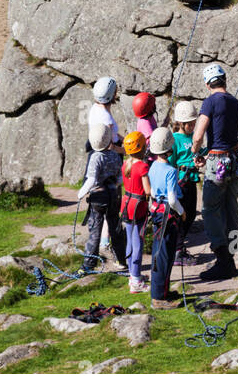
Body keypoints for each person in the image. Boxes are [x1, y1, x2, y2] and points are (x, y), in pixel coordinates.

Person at [192, 62, 238, 282]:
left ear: (207, 84)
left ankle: (223, 260)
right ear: (225, 79)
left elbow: (198, 134)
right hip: (235, 159)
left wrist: (196, 152)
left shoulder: (210, 102)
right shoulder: (236, 103)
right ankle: (234, 254)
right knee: (231, 208)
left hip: (217, 162)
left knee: (210, 209)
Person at [79, 122, 127, 274]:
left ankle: (89, 264)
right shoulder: (115, 155)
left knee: (95, 230)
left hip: (98, 197)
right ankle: (121, 260)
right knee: (115, 227)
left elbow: (92, 180)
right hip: (113, 196)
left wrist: (81, 193)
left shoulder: (95, 157)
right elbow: (120, 177)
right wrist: (113, 185)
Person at [148, 126, 184, 309]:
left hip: (157, 213)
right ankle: (158, 298)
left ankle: (163, 291)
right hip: (168, 215)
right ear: (170, 148)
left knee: (160, 252)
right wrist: (182, 211)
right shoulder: (170, 170)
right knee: (164, 255)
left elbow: (154, 192)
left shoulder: (153, 166)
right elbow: (172, 198)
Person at [120, 130, 151, 294]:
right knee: (138, 241)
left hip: (126, 204)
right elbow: (147, 190)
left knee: (130, 241)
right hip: (139, 206)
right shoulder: (143, 166)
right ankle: (137, 280)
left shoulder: (125, 165)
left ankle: (132, 275)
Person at [171, 100, 201, 266]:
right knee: (181, 216)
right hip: (181, 182)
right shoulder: (175, 140)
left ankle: (178, 249)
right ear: (180, 123)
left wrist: (201, 160)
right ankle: (177, 250)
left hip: (192, 181)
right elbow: (170, 162)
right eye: (189, 123)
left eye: (194, 123)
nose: (192, 125)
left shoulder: (193, 138)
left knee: (190, 216)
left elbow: (200, 152)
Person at [88, 76, 122, 151]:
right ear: (113, 94)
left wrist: (125, 140)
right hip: (113, 153)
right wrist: (127, 151)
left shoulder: (95, 107)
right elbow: (109, 146)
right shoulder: (106, 119)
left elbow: (113, 133)